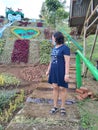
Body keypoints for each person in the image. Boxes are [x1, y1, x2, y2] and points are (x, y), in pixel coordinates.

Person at [46, 31, 70, 116]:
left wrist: (66, 74)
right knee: (55, 87)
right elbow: (51, 60)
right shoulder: (54, 48)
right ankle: (55, 106)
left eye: (53, 37)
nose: (52, 39)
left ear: (57, 38)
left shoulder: (65, 48)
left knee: (62, 88)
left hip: (61, 71)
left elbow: (67, 62)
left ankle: (63, 107)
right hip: (53, 70)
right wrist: (48, 70)